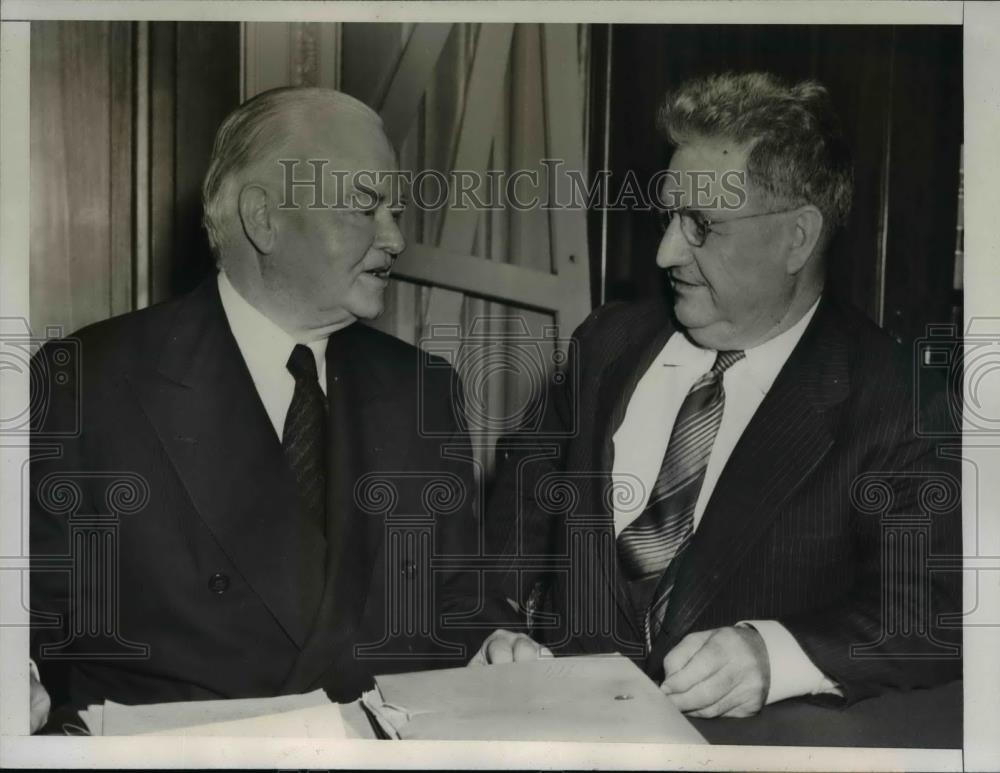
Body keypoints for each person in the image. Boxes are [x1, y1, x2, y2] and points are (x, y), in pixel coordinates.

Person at [28, 86, 533, 730]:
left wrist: (495, 643)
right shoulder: (89, 380)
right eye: (365, 206)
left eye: (396, 211)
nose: (396, 238)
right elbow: (29, 611)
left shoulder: (421, 388)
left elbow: (463, 603)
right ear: (263, 218)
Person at [487, 72, 962, 718]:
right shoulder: (606, 344)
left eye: (701, 225)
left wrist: (774, 654)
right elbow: (515, 507)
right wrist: (495, 625)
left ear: (797, 237)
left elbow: (934, 606)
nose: (664, 252)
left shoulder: (899, 399)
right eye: (668, 217)